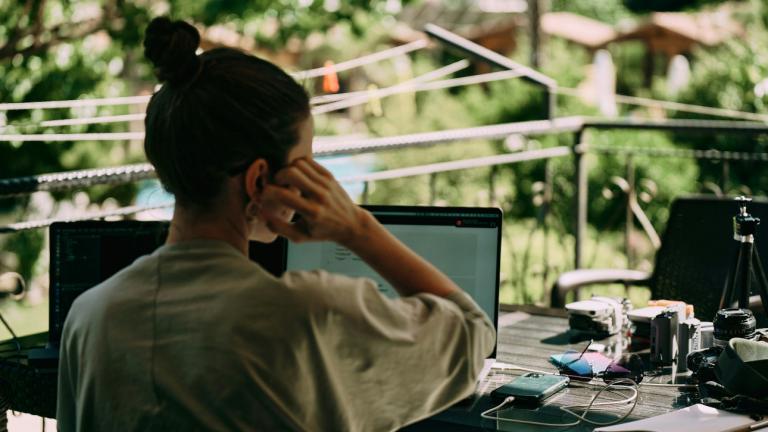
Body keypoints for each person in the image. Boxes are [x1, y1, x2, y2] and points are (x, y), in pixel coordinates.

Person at [56, 17, 495, 432]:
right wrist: (356, 228)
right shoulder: (308, 317)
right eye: (306, 164)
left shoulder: (91, 317)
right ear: (259, 180)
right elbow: (473, 335)